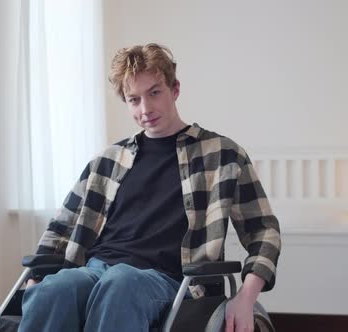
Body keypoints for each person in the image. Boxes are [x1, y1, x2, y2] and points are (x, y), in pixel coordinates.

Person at [18, 43, 281, 332]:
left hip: (169, 281)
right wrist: (38, 277)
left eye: (154, 93)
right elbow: (61, 227)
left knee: (120, 282)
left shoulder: (222, 155)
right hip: (96, 271)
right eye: (134, 99)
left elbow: (263, 231)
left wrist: (245, 297)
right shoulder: (107, 161)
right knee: (57, 287)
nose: (145, 109)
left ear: (175, 89)